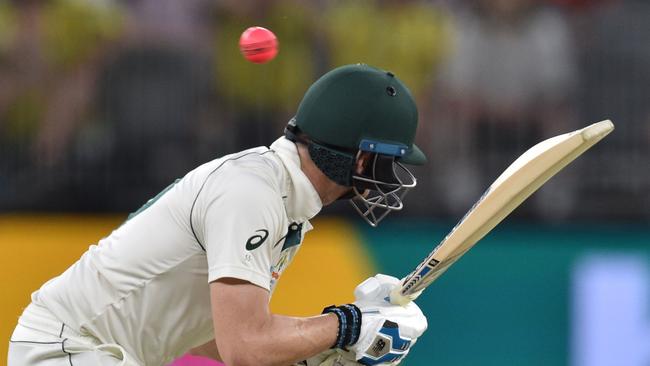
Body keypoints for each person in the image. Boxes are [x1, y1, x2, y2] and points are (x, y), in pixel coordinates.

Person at [8, 64, 429, 366]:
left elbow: (214, 335)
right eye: (389, 160)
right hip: (66, 348)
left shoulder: (282, 198)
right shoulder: (254, 195)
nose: (391, 176)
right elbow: (244, 348)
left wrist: (318, 345)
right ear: (359, 158)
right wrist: (350, 325)